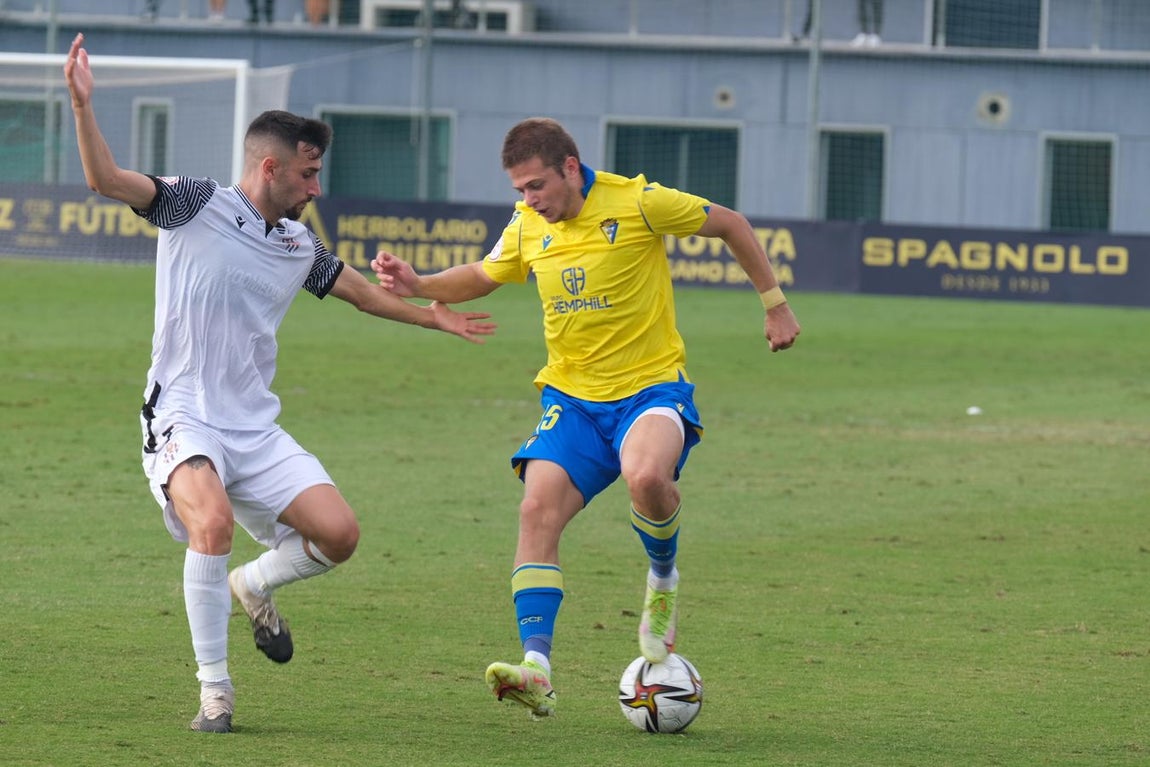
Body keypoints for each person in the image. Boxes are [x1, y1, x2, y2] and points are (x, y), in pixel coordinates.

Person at [63, 32, 495, 734]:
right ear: (272, 168)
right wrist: (83, 105)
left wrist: (433, 320)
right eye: (309, 174)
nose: (317, 187)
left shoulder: (297, 244)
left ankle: (254, 584)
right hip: (183, 415)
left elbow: (362, 293)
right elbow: (107, 180)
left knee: (340, 534)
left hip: (252, 426)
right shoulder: (192, 204)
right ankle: (215, 692)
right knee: (212, 522)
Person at [372, 117, 800, 718]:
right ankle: (537, 669)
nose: (529, 200)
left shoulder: (638, 201)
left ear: (571, 168)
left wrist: (774, 305)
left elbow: (729, 223)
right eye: (520, 189)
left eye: (537, 185)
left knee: (646, 477)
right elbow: (481, 275)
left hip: (650, 391)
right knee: (535, 509)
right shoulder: (528, 225)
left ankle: (662, 582)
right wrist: (419, 283)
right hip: (571, 401)